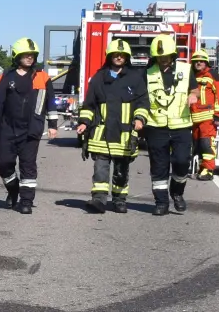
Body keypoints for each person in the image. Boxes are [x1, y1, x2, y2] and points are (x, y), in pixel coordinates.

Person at [74, 40, 147, 214]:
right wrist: (84, 122)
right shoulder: (99, 78)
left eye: (122, 55)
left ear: (127, 57)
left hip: (124, 134)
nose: (119, 57)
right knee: (100, 168)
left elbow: (143, 102)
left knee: (121, 170)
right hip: (102, 133)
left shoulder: (135, 78)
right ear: (109, 56)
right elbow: (89, 104)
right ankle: (99, 199)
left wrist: (139, 118)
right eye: (115, 54)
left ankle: (119, 200)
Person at [0, 38, 48, 214]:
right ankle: (13, 190)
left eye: (32, 55)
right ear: (17, 56)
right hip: (8, 129)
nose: (30, 57)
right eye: (26, 54)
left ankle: (26, 201)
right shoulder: (5, 77)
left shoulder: (42, 77)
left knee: (28, 166)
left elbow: (49, 102)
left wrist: (53, 125)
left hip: (31, 130)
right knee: (4, 164)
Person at [143, 34, 194, 215]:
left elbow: (194, 89)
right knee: (159, 167)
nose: (163, 59)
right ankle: (161, 203)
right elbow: (142, 97)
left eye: (166, 56)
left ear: (173, 54)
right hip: (156, 126)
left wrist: (193, 95)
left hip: (181, 125)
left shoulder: (186, 69)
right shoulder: (147, 73)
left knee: (182, 162)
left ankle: (177, 192)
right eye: (159, 56)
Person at [188, 48, 219, 180]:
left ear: (206, 62)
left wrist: (217, 115)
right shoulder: (190, 76)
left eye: (201, 61)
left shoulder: (213, 75)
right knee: (197, 144)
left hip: (208, 117)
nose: (198, 63)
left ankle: (208, 170)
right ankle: (200, 168)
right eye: (196, 61)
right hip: (193, 117)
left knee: (206, 143)